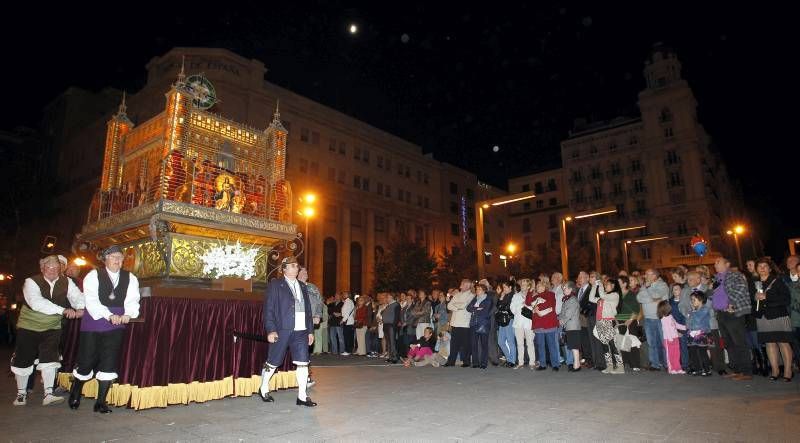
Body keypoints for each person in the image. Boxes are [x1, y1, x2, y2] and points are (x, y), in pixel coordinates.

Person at [69, 246, 139, 413]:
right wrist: (108, 315)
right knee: (87, 360)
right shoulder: (93, 276)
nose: (118, 260)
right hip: (95, 321)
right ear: (105, 258)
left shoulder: (130, 278)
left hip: (116, 323)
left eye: (121, 258)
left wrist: (129, 314)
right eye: (114, 257)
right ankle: (76, 391)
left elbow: (132, 299)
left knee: (109, 360)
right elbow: (91, 301)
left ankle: (100, 402)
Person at [11, 255, 84, 407]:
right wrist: (64, 310)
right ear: (42, 268)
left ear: (60, 269)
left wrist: (81, 307)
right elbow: (37, 303)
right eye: (49, 268)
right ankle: (21, 394)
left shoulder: (66, 281)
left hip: (52, 326)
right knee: (24, 359)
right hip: (29, 326)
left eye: (56, 268)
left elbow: (77, 296)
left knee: (51, 358)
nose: (52, 270)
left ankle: (48, 394)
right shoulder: (31, 282)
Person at [258, 256, 316, 407]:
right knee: (273, 361)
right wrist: (271, 330)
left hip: (301, 330)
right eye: (292, 266)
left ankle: (302, 397)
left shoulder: (303, 286)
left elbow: (308, 310)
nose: (296, 268)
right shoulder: (276, 285)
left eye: (297, 265)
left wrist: (310, 330)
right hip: (283, 329)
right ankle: (263, 388)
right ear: (284, 269)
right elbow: (269, 309)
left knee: (303, 363)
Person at [712, 257, 753, 381]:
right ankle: (737, 370)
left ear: (727, 264)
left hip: (732, 313)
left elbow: (741, 289)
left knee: (739, 341)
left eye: (718, 262)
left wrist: (732, 303)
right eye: (715, 263)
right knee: (729, 343)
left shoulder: (735, 275)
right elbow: (716, 294)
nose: (715, 264)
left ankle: (746, 372)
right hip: (721, 314)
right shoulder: (717, 278)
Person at [753, 258, 794, 382]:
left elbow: (786, 299)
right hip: (763, 317)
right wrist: (755, 298)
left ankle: (788, 371)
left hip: (778, 316)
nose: (762, 268)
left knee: (783, 343)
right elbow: (753, 301)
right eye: (759, 266)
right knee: (770, 344)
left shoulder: (777, 281)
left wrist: (767, 296)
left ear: (770, 268)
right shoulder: (755, 283)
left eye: (765, 266)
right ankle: (775, 371)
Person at [589, 277, 624, 374]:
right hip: (600, 322)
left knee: (613, 344)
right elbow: (591, 298)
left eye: (607, 284)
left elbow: (603, 295)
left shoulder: (614, 295)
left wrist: (599, 285)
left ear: (613, 285)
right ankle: (609, 365)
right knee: (605, 345)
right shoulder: (604, 296)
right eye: (604, 284)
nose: (605, 286)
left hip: (608, 321)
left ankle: (620, 366)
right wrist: (593, 286)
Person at [637, 269, 670, 371]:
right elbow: (639, 298)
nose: (645, 275)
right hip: (648, 318)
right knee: (652, 343)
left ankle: (667, 363)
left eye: (648, 274)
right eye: (645, 273)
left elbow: (656, 295)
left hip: (660, 318)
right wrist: (650, 296)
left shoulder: (662, 285)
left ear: (655, 275)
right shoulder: (644, 285)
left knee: (663, 342)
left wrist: (647, 290)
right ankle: (655, 364)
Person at [444, 279, 474, 367]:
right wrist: (457, 306)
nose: (460, 285)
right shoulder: (457, 294)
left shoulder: (471, 295)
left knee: (465, 344)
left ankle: (466, 361)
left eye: (462, 284)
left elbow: (464, 305)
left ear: (467, 286)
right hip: (455, 322)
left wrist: (455, 305)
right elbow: (449, 306)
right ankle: (451, 361)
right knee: (454, 344)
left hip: (464, 323)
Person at [532, 280, 560, 371]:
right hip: (538, 324)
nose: (538, 288)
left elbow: (551, 306)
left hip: (549, 323)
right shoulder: (535, 297)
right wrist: (535, 308)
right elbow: (532, 308)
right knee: (540, 345)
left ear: (545, 286)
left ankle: (555, 364)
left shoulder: (551, 294)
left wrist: (539, 309)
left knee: (551, 344)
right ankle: (542, 364)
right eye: (537, 286)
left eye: (540, 286)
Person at [616, 276, 642, 371]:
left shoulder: (631, 294)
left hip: (630, 321)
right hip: (619, 321)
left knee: (632, 341)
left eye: (619, 282)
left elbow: (636, 308)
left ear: (624, 283)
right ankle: (624, 362)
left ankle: (635, 364)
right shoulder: (617, 294)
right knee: (622, 341)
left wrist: (630, 319)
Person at [686, 290, 713, 376]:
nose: (692, 302)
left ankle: (707, 369)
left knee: (702, 352)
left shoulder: (705, 309)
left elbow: (698, 319)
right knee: (693, 352)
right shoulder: (692, 311)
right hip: (692, 333)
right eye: (691, 300)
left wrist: (693, 312)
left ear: (701, 300)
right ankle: (698, 369)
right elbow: (688, 322)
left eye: (694, 300)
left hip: (702, 334)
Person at [511, 278, 535, 369]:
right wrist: (521, 305)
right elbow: (512, 308)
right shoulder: (516, 296)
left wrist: (527, 306)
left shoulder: (533, 295)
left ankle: (532, 362)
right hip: (518, 322)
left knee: (530, 343)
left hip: (529, 323)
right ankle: (520, 362)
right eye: (521, 284)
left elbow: (535, 307)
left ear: (529, 286)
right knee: (519, 343)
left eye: (524, 284)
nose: (522, 286)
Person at [559, 281, 581, 372]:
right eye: (563, 288)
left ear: (571, 289)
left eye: (566, 288)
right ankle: (576, 364)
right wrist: (560, 318)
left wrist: (562, 320)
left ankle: (577, 364)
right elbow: (562, 312)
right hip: (568, 326)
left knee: (574, 345)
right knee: (571, 345)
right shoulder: (566, 299)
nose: (564, 289)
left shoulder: (573, 299)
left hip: (573, 326)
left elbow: (569, 313)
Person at [658, 300, 686, 374]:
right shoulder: (663, 319)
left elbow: (676, 325)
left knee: (677, 354)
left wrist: (685, 327)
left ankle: (678, 368)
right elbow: (666, 330)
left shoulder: (670, 316)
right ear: (664, 308)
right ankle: (671, 368)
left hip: (675, 338)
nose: (670, 307)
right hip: (668, 340)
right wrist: (670, 338)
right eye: (668, 305)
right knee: (670, 355)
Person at [495, 281, 516, 368]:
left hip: (509, 319)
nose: (504, 289)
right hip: (502, 320)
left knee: (510, 341)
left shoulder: (513, 295)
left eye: (505, 287)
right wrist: (501, 297)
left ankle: (512, 360)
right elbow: (498, 306)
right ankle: (509, 358)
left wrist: (502, 305)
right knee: (500, 341)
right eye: (503, 287)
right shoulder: (505, 295)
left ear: (510, 287)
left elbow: (506, 307)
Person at [380, 293, 400, 363]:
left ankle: (394, 357)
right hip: (386, 325)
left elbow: (397, 317)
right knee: (388, 342)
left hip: (391, 325)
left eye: (387, 297)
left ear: (391, 297)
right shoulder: (388, 305)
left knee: (392, 341)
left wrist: (394, 325)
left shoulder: (396, 305)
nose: (386, 299)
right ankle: (390, 356)